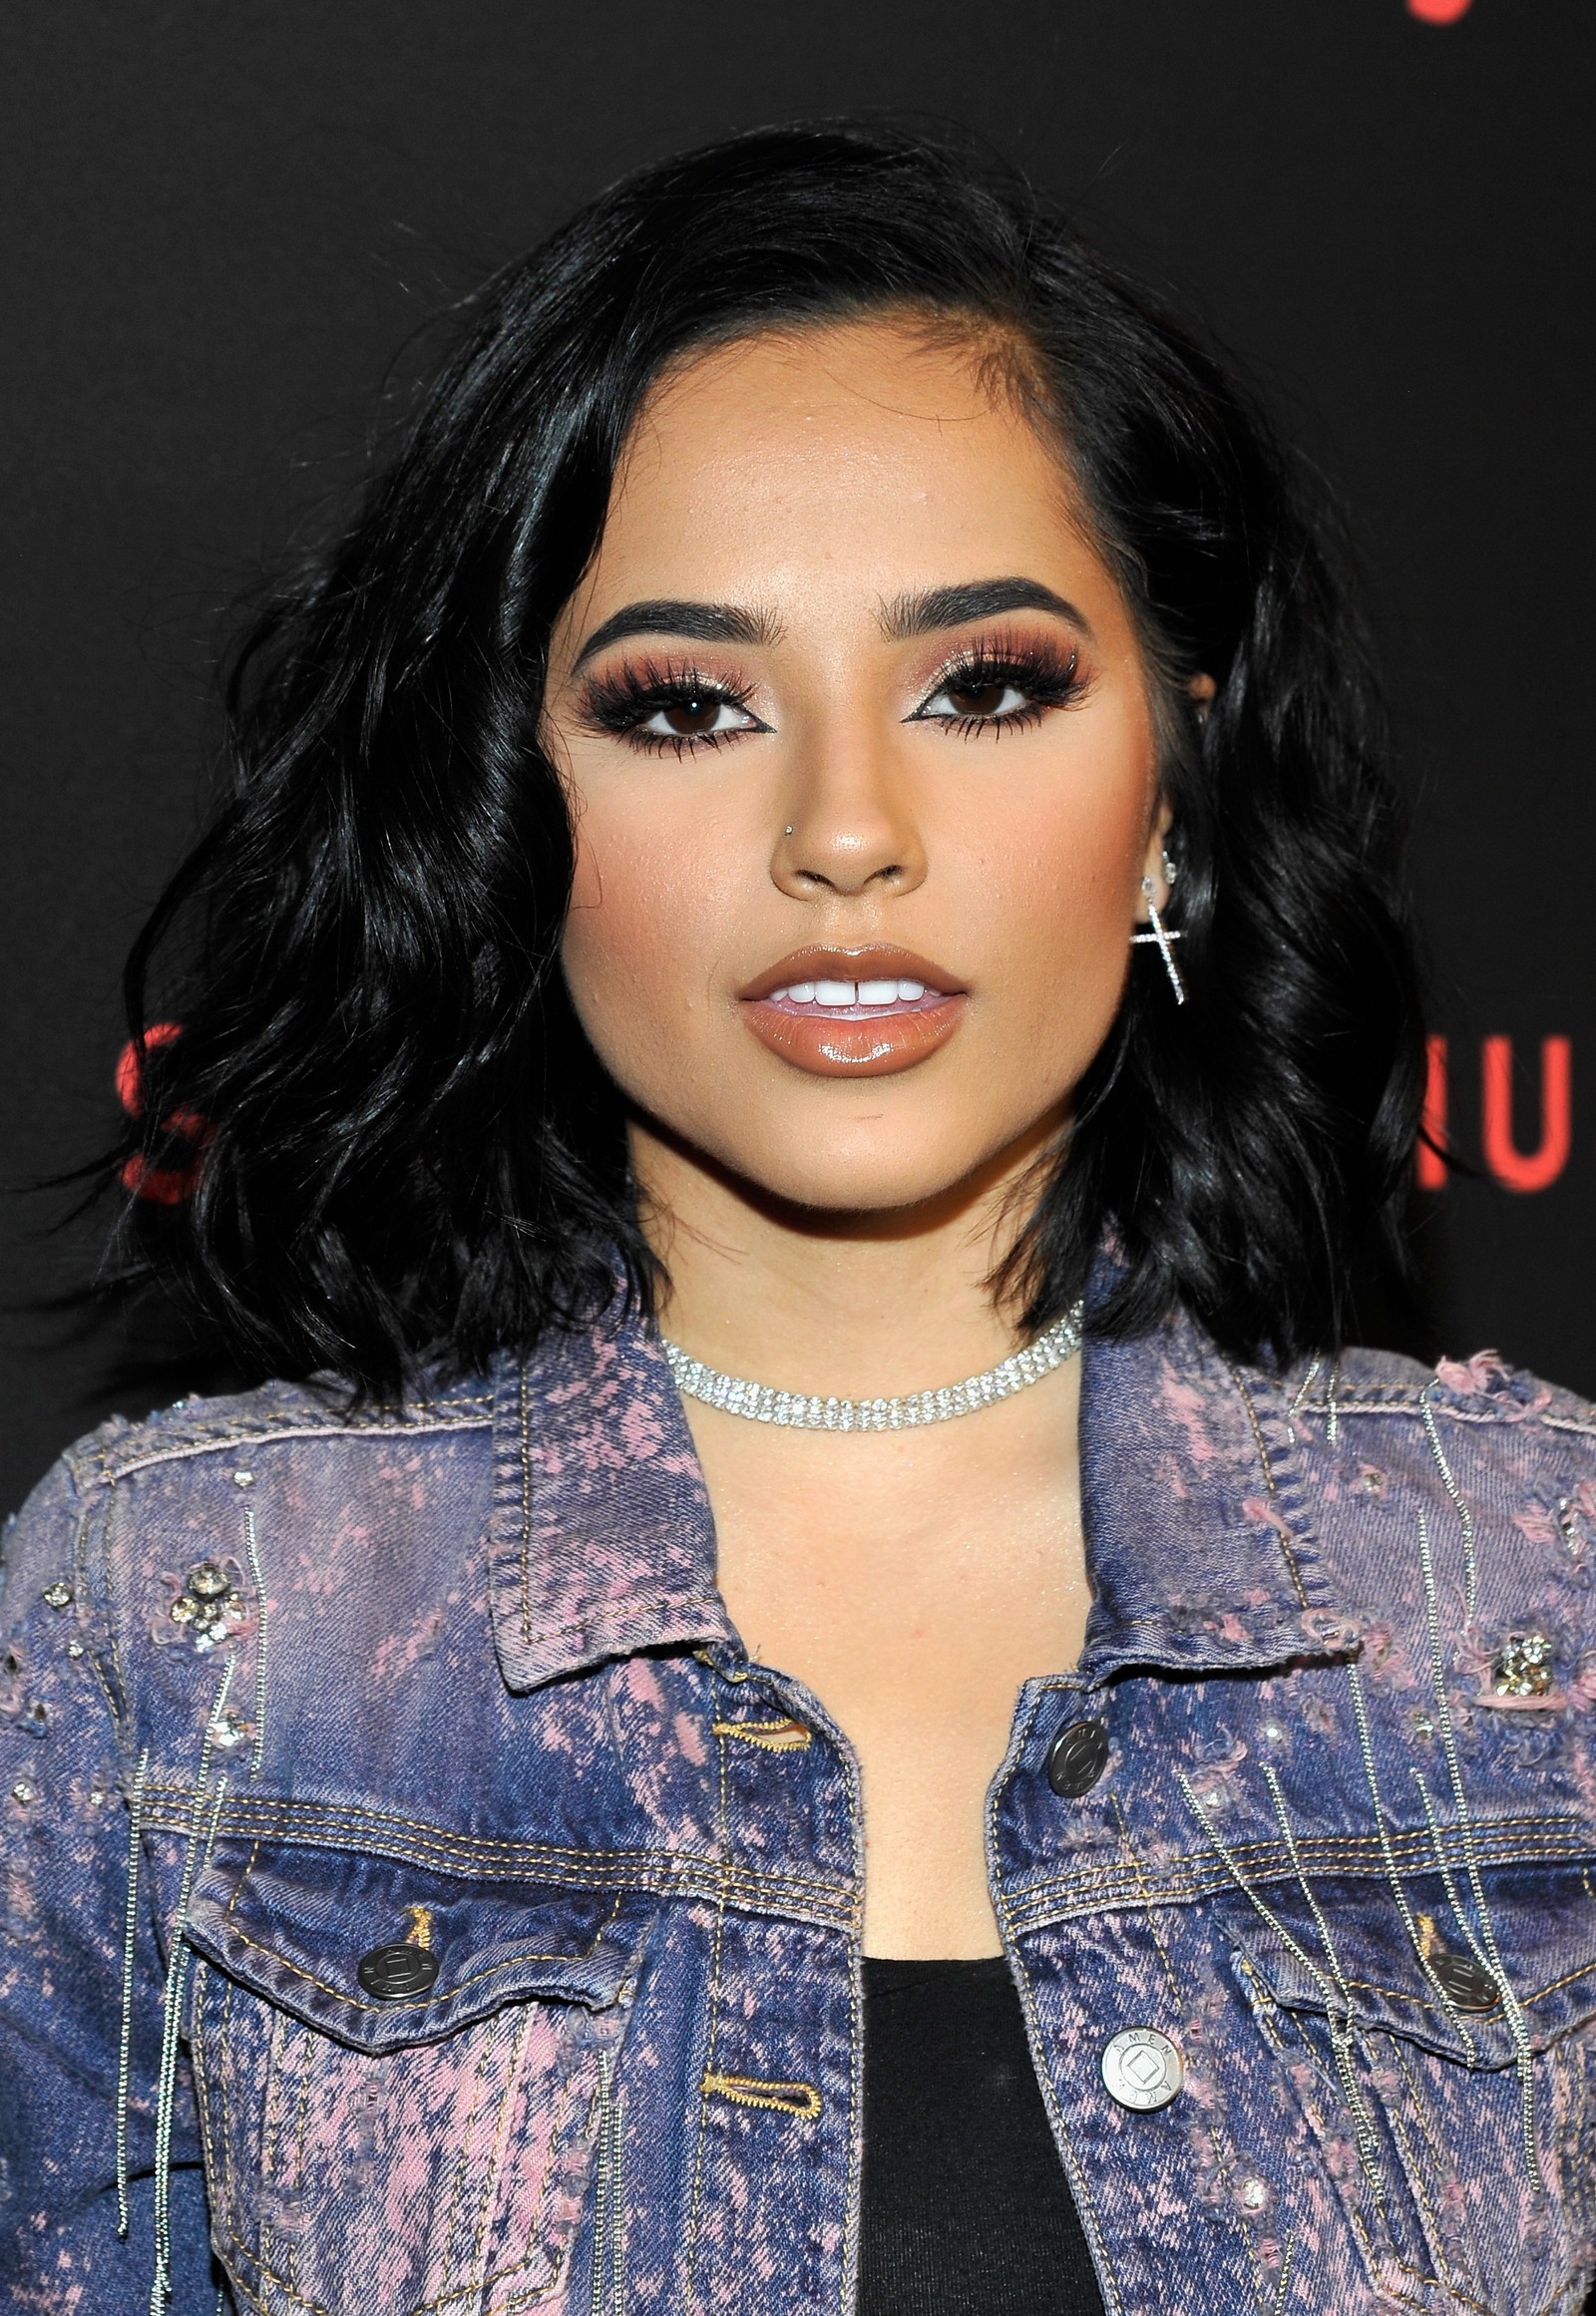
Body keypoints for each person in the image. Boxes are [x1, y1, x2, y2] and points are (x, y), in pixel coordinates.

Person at [2, 120, 1593, 2316]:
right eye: (686, 705)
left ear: (1173, 794)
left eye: (985, 685)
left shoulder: (1533, 1599)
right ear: (511, 807)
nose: (846, 828)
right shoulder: (190, 1633)